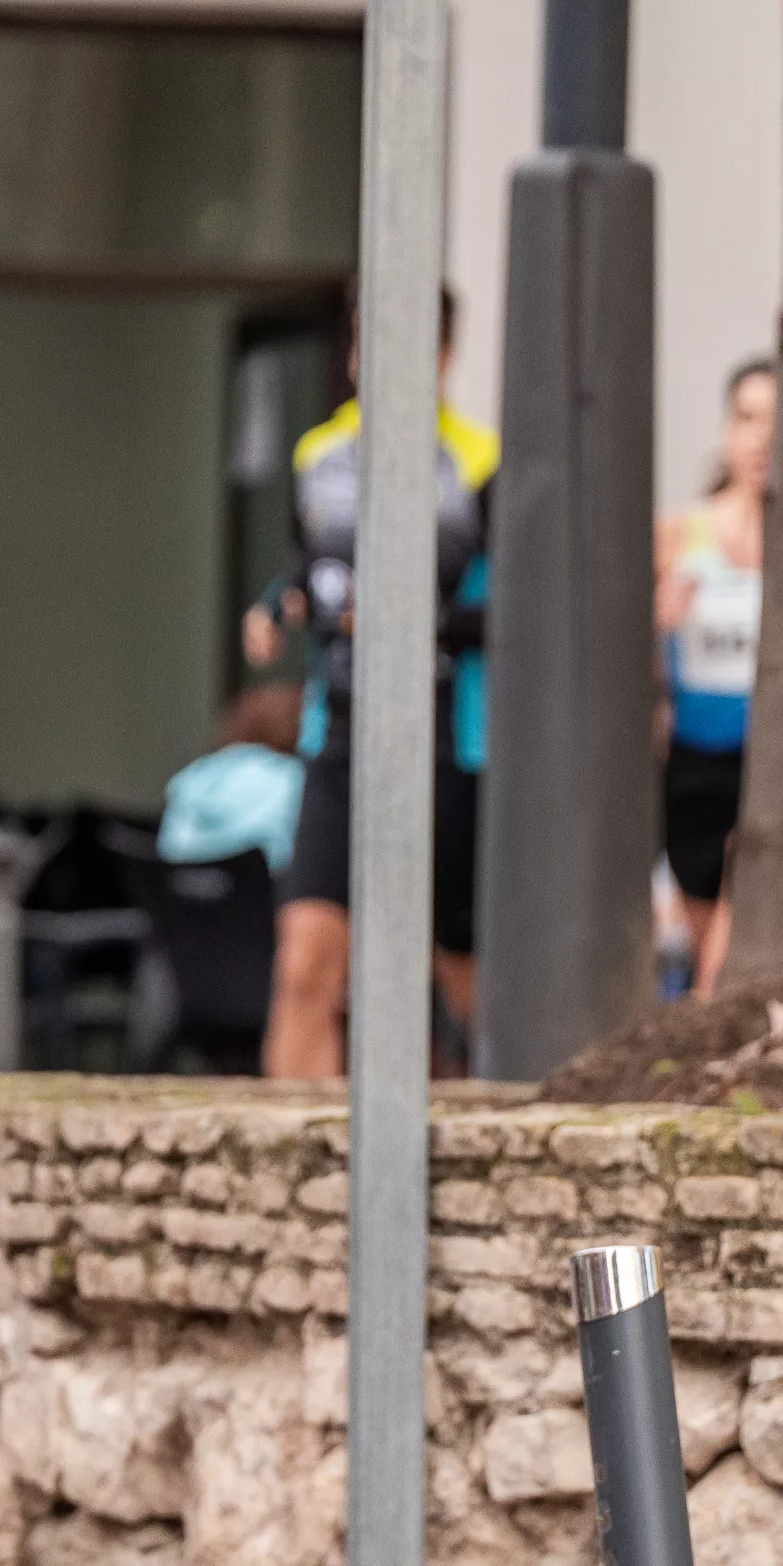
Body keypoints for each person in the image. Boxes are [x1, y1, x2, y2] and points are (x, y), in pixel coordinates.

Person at [242, 286, 496, 1079]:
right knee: (304, 967)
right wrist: (273, 611)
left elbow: (514, 617)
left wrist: (400, 621)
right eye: (362, 345)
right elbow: (305, 571)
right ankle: (292, 1177)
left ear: (443, 358)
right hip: (341, 740)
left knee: (462, 975)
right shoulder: (318, 455)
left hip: (447, 744)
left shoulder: (482, 461)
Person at [656, 355, 774, 997]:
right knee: (704, 939)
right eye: (749, 419)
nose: (763, 439)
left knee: (723, 955)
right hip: (697, 764)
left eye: (777, 421)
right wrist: (660, 623)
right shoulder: (680, 533)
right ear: (728, 431)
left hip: (775, 766)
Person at [158, 683, 305, 873]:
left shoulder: (196, 775)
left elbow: (169, 850)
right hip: (266, 897)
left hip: (185, 894)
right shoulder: (294, 778)